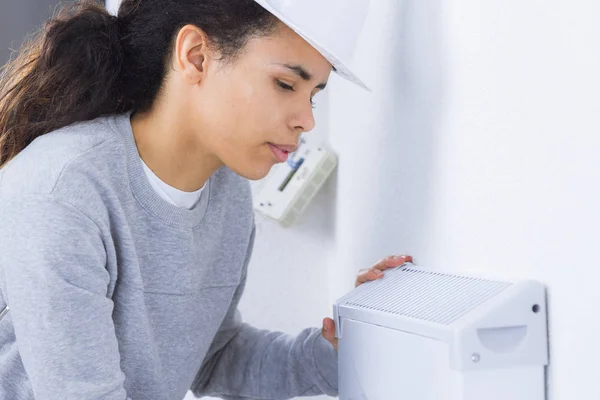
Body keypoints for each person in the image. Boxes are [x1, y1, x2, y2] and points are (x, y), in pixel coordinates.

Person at [0, 0, 413, 399]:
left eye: (313, 94)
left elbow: (213, 357)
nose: (306, 119)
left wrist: (338, 353)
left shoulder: (227, 194)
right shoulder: (62, 194)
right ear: (196, 56)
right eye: (285, 84)